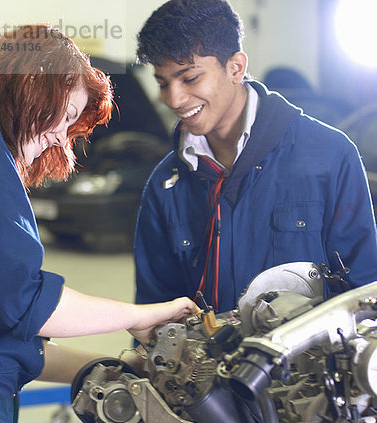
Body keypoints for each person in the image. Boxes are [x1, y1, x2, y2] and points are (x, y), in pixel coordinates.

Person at [0, 24, 197, 423]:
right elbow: (25, 303)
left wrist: (113, 369)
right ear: (29, 92)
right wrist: (146, 313)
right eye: (56, 115)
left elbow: (2, 338)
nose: (56, 134)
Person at [134, 0, 377, 316]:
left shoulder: (330, 156)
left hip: (311, 362)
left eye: (189, 78)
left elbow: (365, 293)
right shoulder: (165, 185)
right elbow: (154, 314)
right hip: (206, 365)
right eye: (163, 83)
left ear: (235, 67)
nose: (174, 99)